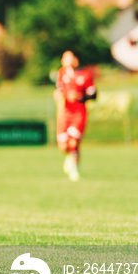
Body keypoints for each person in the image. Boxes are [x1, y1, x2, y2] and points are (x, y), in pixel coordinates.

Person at [54, 50, 97, 181]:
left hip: (79, 113)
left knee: (73, 143)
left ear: (75, 60)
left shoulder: (85, 75)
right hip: (64, 113)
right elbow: (59, 90)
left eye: (67, 57)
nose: (64, 60)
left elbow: (93, 94)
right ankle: (69, 158)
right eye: (63, 57)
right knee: (63, 146)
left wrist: (80, 97)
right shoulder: (61, 73)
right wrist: (58, 94)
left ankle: (74, 168)